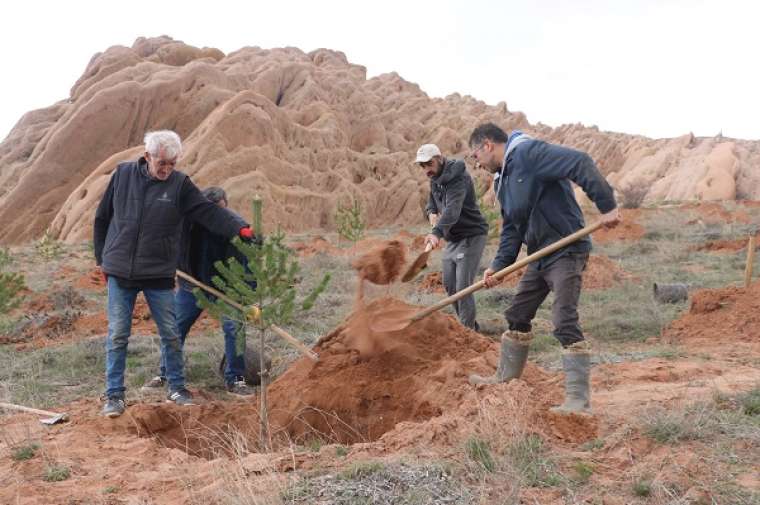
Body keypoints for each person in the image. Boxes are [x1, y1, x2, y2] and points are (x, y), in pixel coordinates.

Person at [94, 130, 256, 418]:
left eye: (172, 163)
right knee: (118, 334)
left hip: (157, 272)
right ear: (147, 157)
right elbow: (103, 218)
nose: (167, 169)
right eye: (162, 163)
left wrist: (239, 229)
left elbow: (208, 211)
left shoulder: (179, 185)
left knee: (170, 332)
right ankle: (114, 395)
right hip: (120, 270)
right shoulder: (122, 175)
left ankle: (177, 388)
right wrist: (102, 261)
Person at [466, 123, 620, 415]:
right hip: (539, 254)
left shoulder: (528, 153)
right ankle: (506, 379)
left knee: (563, 319)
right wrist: (499, 266)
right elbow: (513, 228)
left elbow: (580, 162)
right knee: (517, 314)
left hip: (566, 249)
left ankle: (578, 401)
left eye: (476, 155)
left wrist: (606, 204)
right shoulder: (504, 179)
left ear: (487, 145)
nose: (477, 162)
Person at [142, 186, 259, 396]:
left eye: (220, 211)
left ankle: (236, 379)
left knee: (234, 329)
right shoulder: (188, 225)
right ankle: (165, 373)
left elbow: (248, 264)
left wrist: (248, 297)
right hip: (192, 286)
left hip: (227, 289)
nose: (215, 218)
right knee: (175, 328)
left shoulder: (237, 228)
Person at [417, 143, 489, 330]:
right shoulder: (435, 178)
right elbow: (432, 201)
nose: (426, 169)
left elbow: (452, 211)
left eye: (429, 164)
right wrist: (431, 211)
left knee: (463, 288)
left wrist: (436, 233)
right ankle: (470, 327)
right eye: (422, 166)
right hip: (454, 238)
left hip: (471, 235)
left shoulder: (458, 178)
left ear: (439, 159)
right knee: (450, 286)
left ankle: (467, 333)